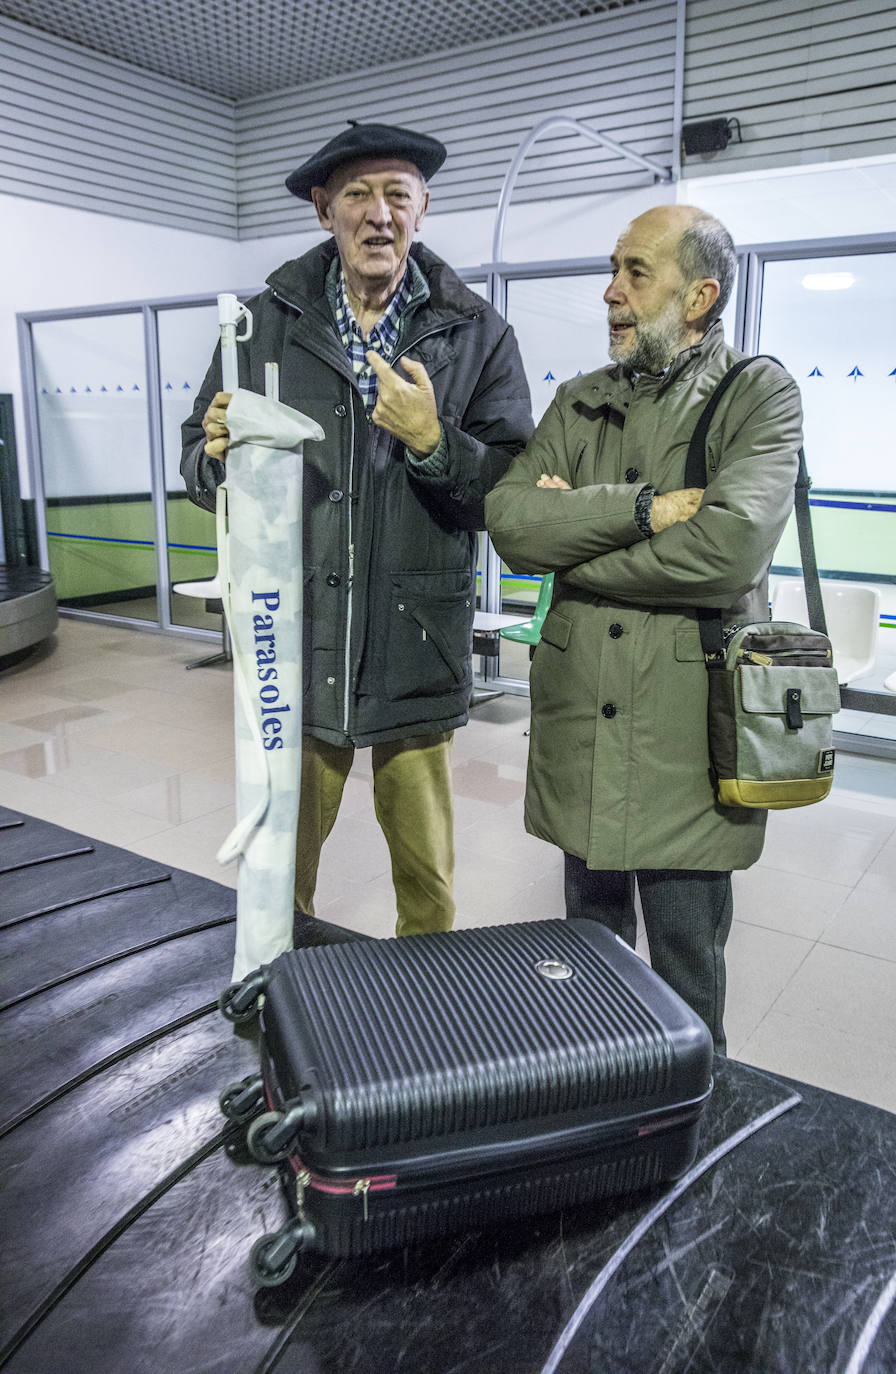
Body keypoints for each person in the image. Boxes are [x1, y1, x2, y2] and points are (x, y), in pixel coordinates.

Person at [180, 122, 533, 942]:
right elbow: (198, 460)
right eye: (358, 196)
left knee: (426, 881)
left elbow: (508, 487)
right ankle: (281, 1003)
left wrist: (434, 442)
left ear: (423, 209)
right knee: (280, 869)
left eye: (397, 195)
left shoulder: (475, 333)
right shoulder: (265, 324)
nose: (380, 215)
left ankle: (425, 1029)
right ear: (323, 210)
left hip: (417, 639)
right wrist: (221, 459)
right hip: (296, 641)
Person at [485, 204, 802, 1053]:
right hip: (580, 727)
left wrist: (573, 554)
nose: (610, 292)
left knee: (687, 972)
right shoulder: (579, 403)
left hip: (686, 742)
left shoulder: (757, 396)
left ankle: (693, 1133)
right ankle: (597, 1115)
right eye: (613, 271)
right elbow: (511, 522)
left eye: (635, 273)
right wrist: (642, 511)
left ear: (698, 297)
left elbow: (728, 554)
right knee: (585, 965)